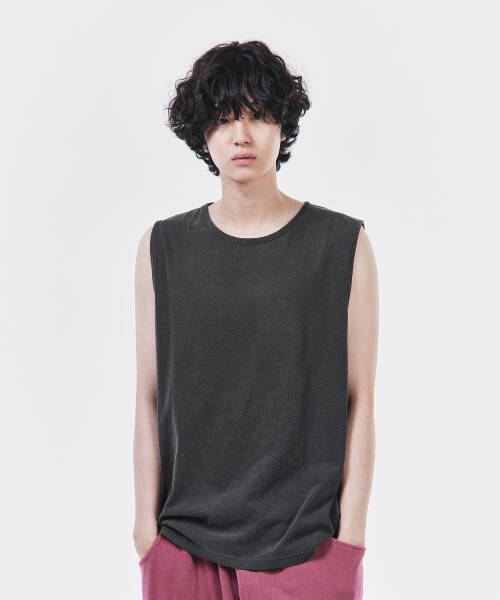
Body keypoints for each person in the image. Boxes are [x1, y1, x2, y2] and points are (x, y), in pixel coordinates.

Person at [133, 40, 378, 600]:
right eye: (223, 119)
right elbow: (147, 395)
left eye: (257, 115)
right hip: (184, 544)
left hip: (307, 547)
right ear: (202, 133)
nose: (240, 135)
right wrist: (146, 532)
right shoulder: (162, 246)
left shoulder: (342, 243)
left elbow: (360, 398)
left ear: (283, 126)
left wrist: (351, 539)